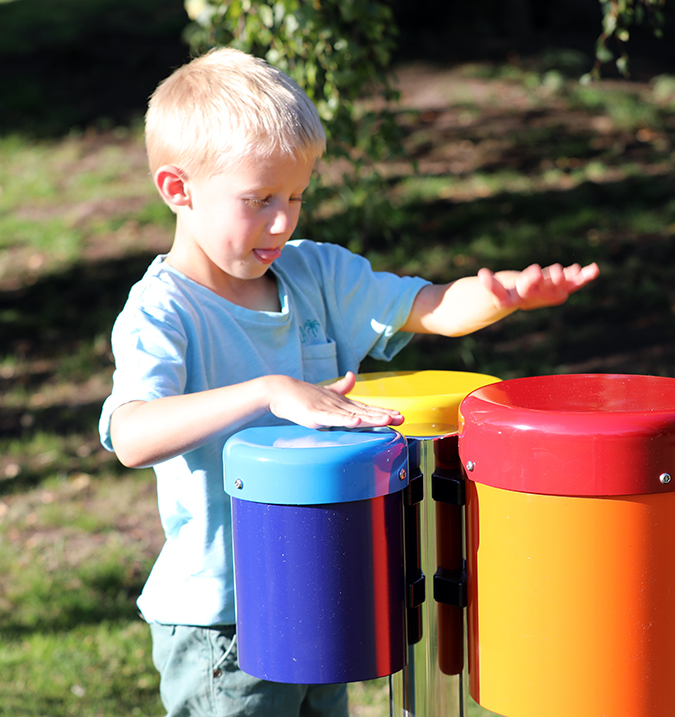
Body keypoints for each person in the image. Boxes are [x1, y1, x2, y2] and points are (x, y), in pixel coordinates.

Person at [98, 47, 599, 717]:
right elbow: (132, 434)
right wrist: (269, 390)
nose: (283, 221)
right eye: (259, 200)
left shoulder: (316, 275)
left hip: (319, 588)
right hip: (226, 622)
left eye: (297, 196)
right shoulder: (162, 312)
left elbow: (429, 308)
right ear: (177, 189)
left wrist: (502, 295)